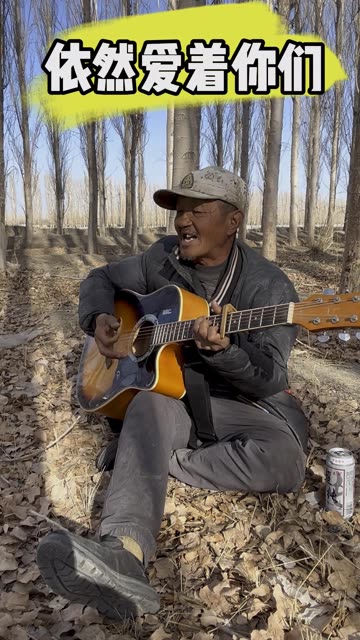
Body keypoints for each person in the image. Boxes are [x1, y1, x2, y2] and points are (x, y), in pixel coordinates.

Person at [37, 166, 308, 619]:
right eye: (179, 211)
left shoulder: (269, 285)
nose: (182, 221)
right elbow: (100, 278)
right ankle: (124, 557)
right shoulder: (161, 259)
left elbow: (270, 378)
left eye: (197, 211)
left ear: (233, 221)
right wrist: (100, 318)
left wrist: (224, 353)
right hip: (174, 400)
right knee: (146, 402)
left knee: (287, 461)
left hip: (236, 402)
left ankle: (151, 457)